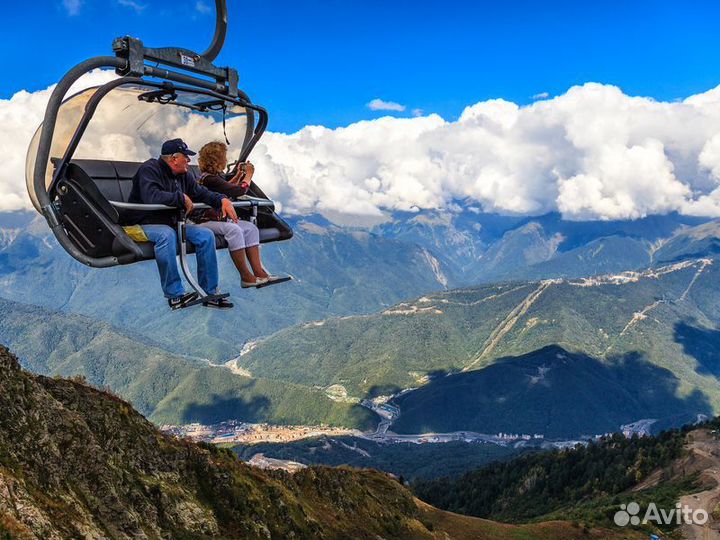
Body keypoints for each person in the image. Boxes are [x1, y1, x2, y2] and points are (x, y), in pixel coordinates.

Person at [124, 138, 238, 309]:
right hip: (139, 224)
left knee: (206, 235)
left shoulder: (183, 175)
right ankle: (175, 295)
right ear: (173, 159)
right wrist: (180, 197)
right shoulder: (149, 169)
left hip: (171, 223)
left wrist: (221, 200)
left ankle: (210, 293)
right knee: (166, 235)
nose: (189, 161)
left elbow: (200, 192)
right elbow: (151, 196)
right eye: (186, 157)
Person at [191, 141, 278, 288]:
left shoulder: (211, 177)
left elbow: (226, 188)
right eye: (224, 157)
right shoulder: (208, 178)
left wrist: (238, 175)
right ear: (217, 160)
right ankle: (245, 275)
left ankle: (259, 272)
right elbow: (237, 191)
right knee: (234, 230)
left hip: (218, 219)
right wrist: (248, 175)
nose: (226, 160)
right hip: (202, 220)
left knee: (250, 228)